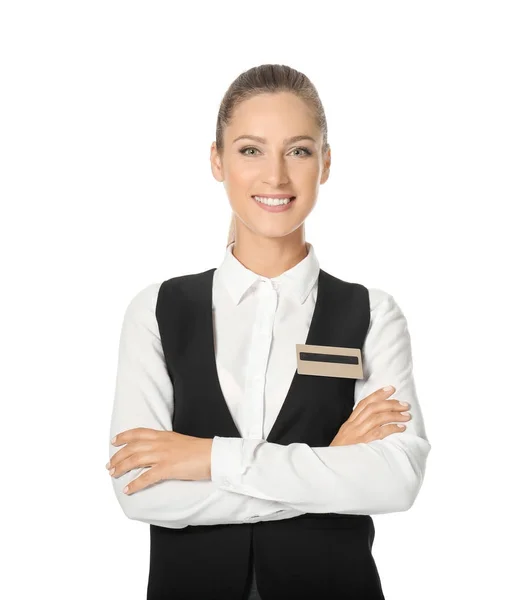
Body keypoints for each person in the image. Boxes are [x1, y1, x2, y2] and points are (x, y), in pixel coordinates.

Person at [107, 63, 431, 600]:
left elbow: (396, 479)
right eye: (250, 150)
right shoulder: (157, 311)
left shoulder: (372, 313)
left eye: (299, 151)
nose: (276, 176)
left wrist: (209, 459)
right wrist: (331, 462)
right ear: (217, 160)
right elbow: (139, 491)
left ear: (325, 164)